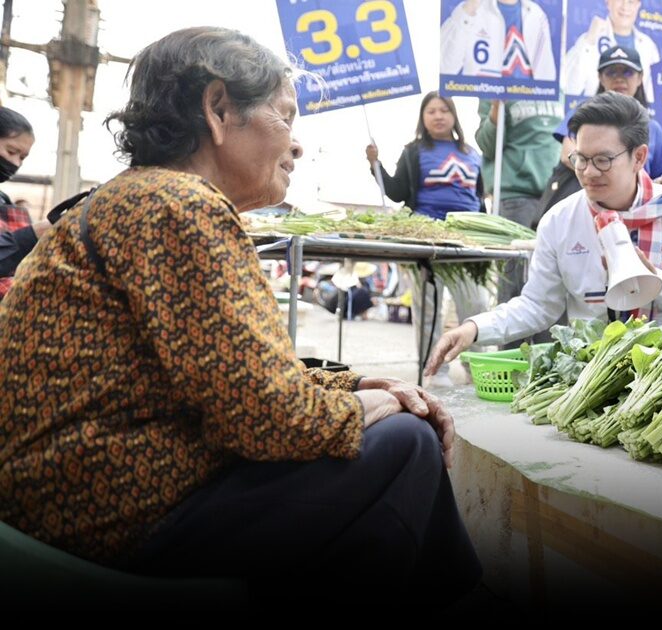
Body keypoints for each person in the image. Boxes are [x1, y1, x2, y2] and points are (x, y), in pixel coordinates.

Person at [0, 27, 480, 600]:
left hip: (75, 498)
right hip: (109, 510)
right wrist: (381, 403)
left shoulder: (141, 197)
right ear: (219, 109)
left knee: (390, 430)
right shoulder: (178, 206)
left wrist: (354, 385)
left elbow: (236, 372)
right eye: (286, 117)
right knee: (406, 443)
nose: (297, 146)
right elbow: (269, 419)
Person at [424, 92, 662, 375]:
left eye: (603, 160)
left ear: (638, 157)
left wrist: (656, 282)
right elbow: (538, 305)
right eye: (581, 159)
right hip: (594, 378)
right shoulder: (560, 221)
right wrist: (474, 328)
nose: (589, 172)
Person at [366, 92, 490, 382]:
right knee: (428, 309)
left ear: (454, 115)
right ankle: (435, 370)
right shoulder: (414, 151)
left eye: (444, 110)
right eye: (431, 111)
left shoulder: (472, 154)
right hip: (427, 238)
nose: (438, 116)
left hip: (467, 240)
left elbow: (480, 197)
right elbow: (397, 191)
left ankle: (478, 369)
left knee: (476, 305)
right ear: (423, 117)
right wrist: (375, 164)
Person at [475, 97, 562, 342]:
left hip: (553, 193)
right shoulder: (496, 88)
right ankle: (511, 359)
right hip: (516, 195)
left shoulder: (555, 85)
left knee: (552, 282)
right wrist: (496, 106)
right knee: (514, 283)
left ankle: (547, 356)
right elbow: (487, 144)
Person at [557, 46, 662, 182]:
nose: (619, 79)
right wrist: (596, 176)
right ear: (600, 78)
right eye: (611, 72)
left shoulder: (652, 128)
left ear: (640, 78)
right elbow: (567, 154)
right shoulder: (584, 113)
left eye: (627, 72)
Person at [561, 0, 661, 102]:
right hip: (598, 110)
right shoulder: (590, 40)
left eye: (630, 1)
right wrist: (589, 41)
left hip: (633, 111)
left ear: (638, 5)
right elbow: (569, 87)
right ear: (608, 2)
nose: (625, 7)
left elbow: (652, 98)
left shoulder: (648, 46)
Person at [441, 0, 556, 81]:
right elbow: (445, 69)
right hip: (481, 100)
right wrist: (469, 8)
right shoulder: (470, 10)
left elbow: (546, 75)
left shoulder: (536, 15)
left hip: (524, 103)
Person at [0, 108, 36, 299]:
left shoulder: (4, 201)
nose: (16, 163)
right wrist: (31, 235)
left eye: (22, 157)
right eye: (11, 151)